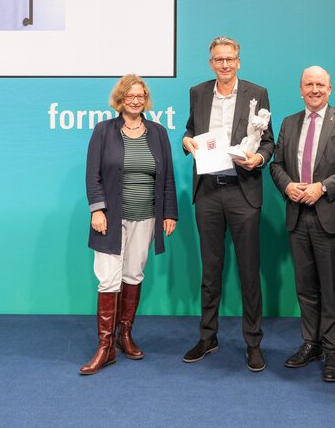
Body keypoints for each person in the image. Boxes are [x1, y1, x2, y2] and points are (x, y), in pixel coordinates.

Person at [270, 66, 335, 382]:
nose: (314, 89)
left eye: (320, 85)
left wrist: (322, 187)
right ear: (300, 89)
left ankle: (333, 351)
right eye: (309, 84)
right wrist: (287, 185)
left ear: (330, 89)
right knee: (305, 287)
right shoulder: (289, 123)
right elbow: (276, 165)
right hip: (297, 215)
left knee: (331, 289)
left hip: (330, 215)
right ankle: (311, 343)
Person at [181, 36, 274, 372]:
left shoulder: (257, 93)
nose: (224, 64)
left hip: (242, 191)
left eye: (229, 59)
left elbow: (268, 141)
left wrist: (259, 159)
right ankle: (208, 337)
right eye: (218, 59)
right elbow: (190, 130)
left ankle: (253, 343)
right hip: (208, 191)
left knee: (249, 272)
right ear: (211, 63)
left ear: (238, 61)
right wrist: (186, 141)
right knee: (210, 271)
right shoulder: (198, 92)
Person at [81, 74, 178, 375]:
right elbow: (92, 175)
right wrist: (97, 210)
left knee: (134, 274)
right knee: (108, 279)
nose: (135, 100)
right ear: (120, 99)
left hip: (146, 216)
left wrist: (169, 213)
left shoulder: (158, 132)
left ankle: (125, 335)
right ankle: (105, 346)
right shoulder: (104, 130)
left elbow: (167, 176)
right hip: (110, 218)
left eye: (140, 96)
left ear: (145, 99)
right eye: (130, 96)